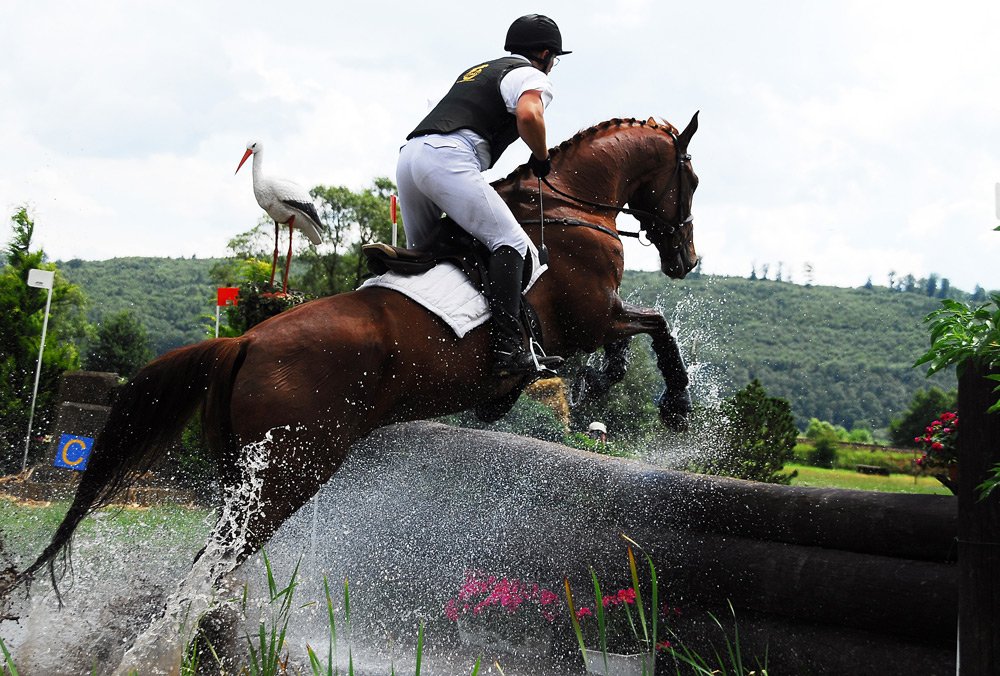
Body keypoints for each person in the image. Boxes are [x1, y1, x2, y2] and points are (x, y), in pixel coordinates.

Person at [396, 14, 570, 378]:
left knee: (424, 257)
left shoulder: (478, 71)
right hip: (449, 158)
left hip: (410, 156)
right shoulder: (530, 75)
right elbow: (528, 115)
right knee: (512, 242)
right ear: (545, 54)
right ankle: (507, 350)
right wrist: (541, 158)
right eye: (554, 58)